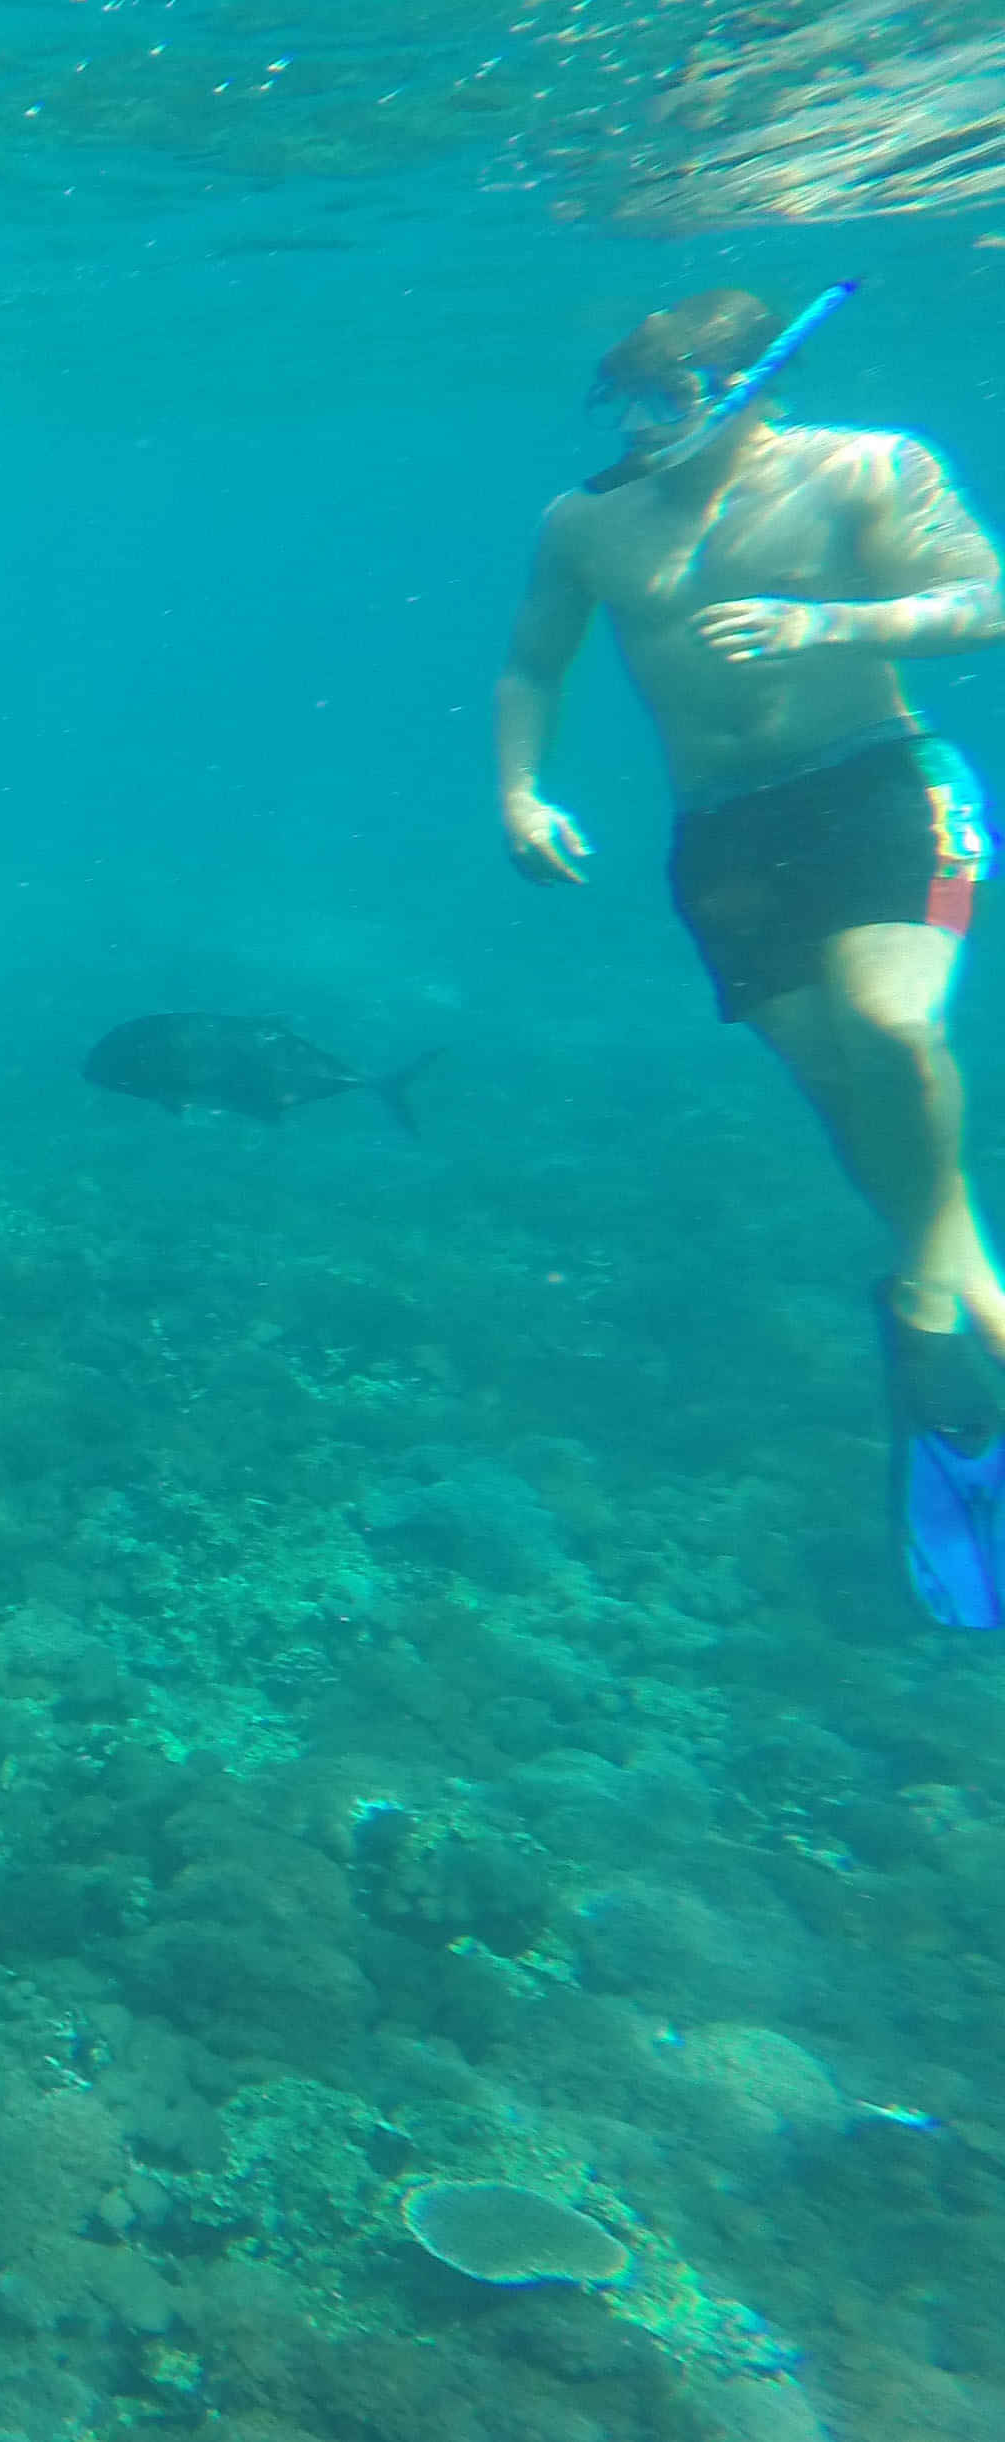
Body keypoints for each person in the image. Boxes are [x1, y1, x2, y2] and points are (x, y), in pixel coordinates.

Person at [497, 286, 1005, 1620]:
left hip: (882, 787)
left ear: (746, 383)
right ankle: (949, 1291)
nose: (643, 425)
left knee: (892, 1029)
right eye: (626, 401)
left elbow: (984, 601)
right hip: (723, 837)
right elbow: (532, 665)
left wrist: (824, 624)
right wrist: (520, 793)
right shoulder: (585, 522)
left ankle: (949, 1299)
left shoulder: (868, 466)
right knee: (841, 1078)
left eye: (670, 397)